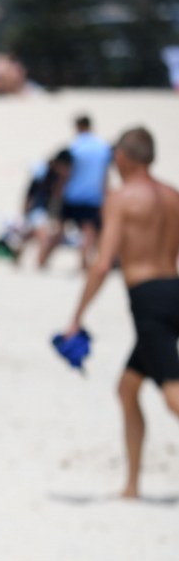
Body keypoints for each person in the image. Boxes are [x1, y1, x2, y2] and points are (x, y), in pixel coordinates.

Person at [64, 126, 179, 499]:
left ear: (123, 158)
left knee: (172, 393)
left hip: (147, 299)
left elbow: (102, 264)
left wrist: (77, 316)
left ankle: (132, 485)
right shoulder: (172, 196)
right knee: (127, 389)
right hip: (173, 289)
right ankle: (131, 486)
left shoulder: (121, 199)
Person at [41, 115, 113, 271]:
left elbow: (65, 171)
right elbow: (106, 174)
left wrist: (58, 191)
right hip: (94, 195)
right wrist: (105, 194)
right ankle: (83, 264)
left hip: (72, 194)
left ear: (78, 127)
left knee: (59, 229)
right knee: (89, 231)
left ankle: (41, 260)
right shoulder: (103, 147)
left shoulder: (75, 147)